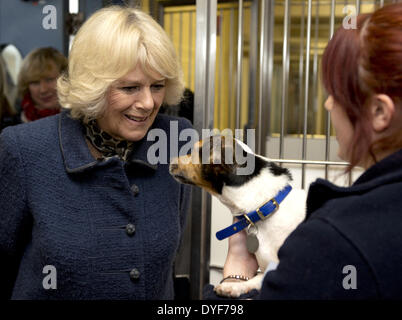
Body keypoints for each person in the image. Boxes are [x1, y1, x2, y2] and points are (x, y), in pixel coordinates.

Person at [205, 3, 402, 299]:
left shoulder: (337, 239)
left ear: (378, 111)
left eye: (336, 94)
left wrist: (234, 274)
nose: (327, 105)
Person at [0, 6, 192, 300]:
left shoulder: (175, 140)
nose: (148, 103)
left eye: (157, 86)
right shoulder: (26, 149)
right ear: (93, 86)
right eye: (129, 88)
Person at [17, 47, 67, 122]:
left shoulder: (82, 120)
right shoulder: (13, 127)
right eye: (35, 82)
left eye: (49, 80)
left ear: (65, 78)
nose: (43, 90)